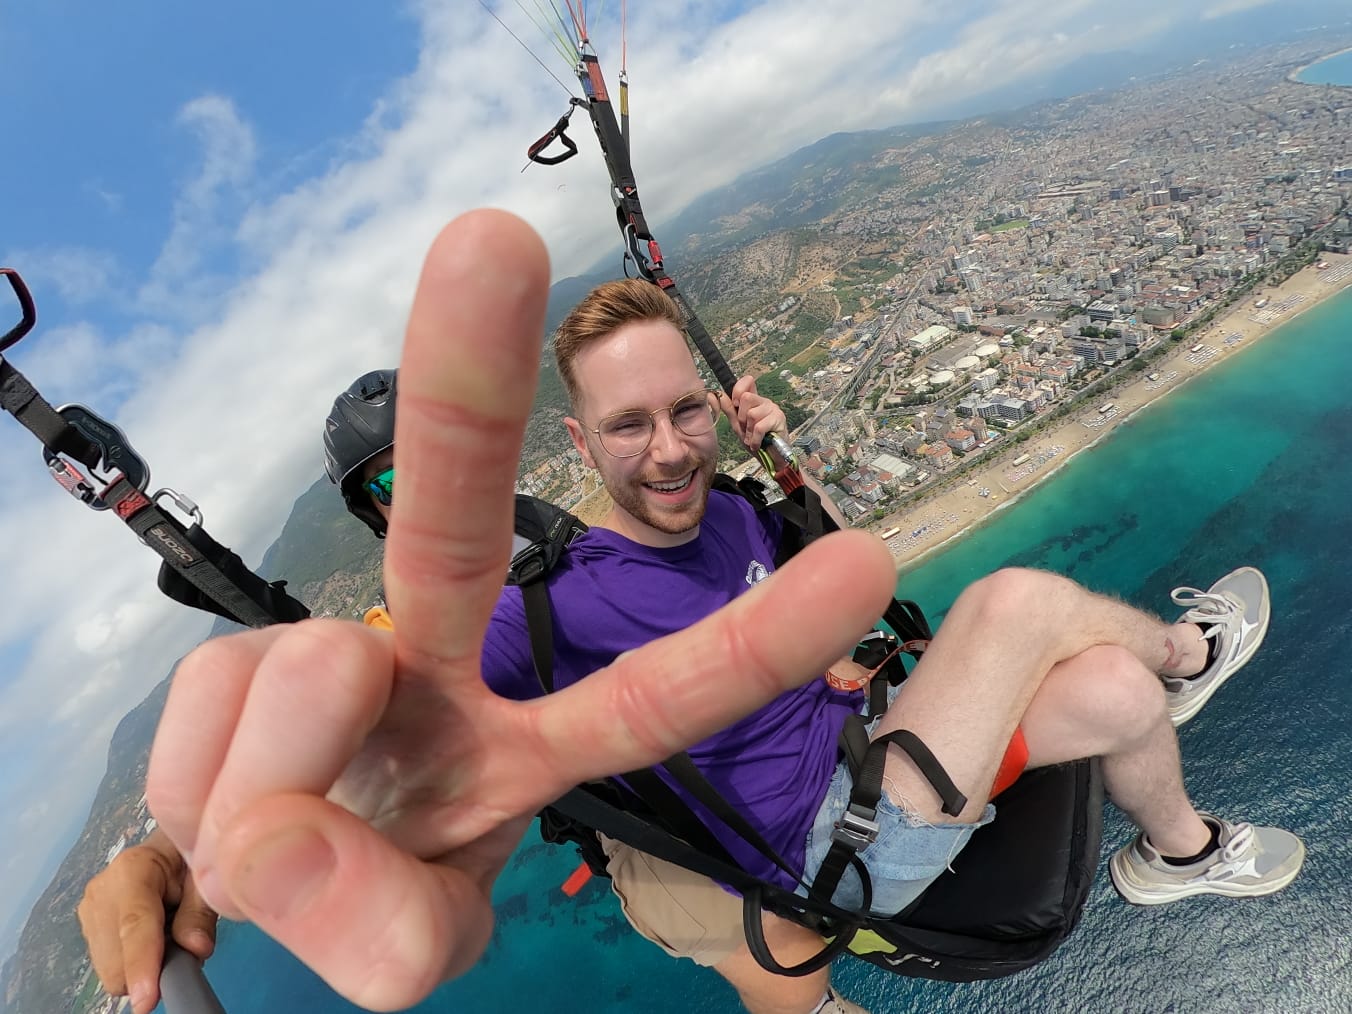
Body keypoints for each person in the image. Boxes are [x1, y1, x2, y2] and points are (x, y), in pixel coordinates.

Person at [82, 210, 1304, 1014]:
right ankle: (1191, 653)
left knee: (1113, 694)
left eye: (685, 413)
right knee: (1022, 601)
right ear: (574, 442)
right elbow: (374, 728)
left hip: (869, 763)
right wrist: (164, 857)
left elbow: (811, 589)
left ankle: (1178, 855)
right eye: (629, 426)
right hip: (828, 853)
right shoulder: (538, 615)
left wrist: (786, 474)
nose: (666, 450)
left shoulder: (727, 510)